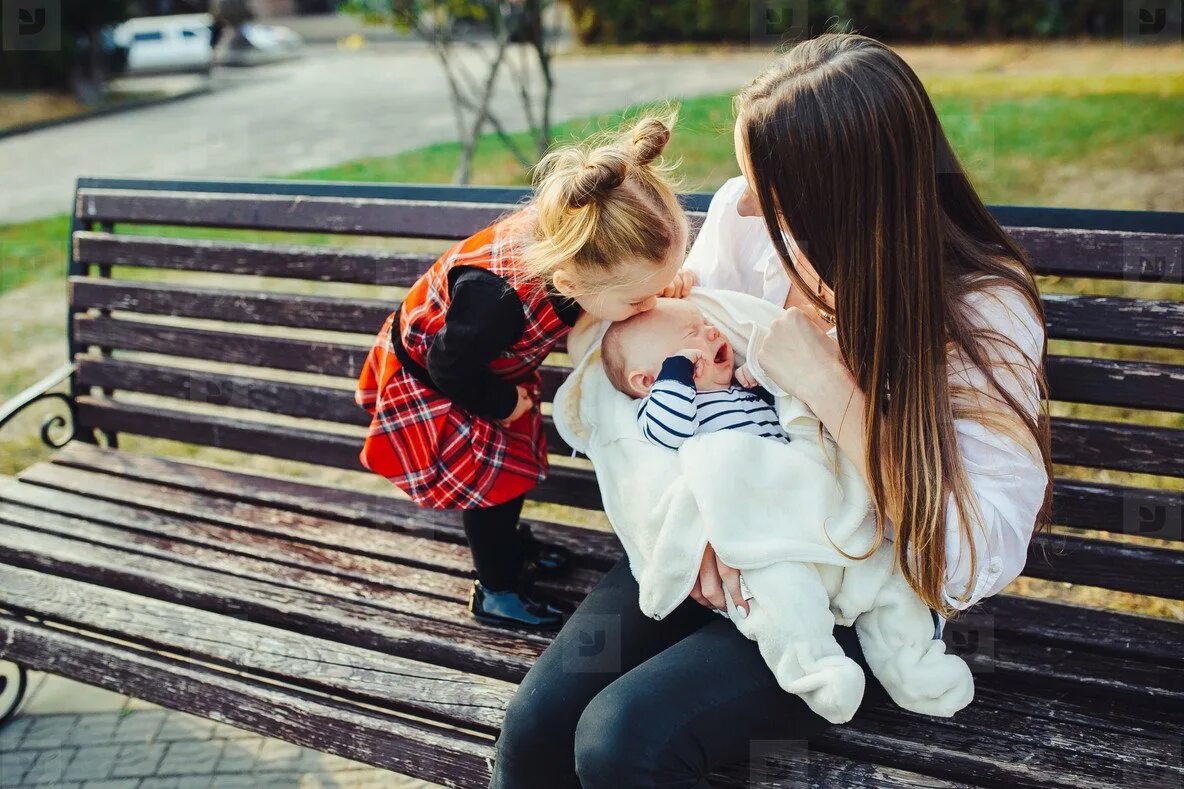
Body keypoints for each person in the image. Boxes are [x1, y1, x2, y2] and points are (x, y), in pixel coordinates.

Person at [490, 33, 1052, 787]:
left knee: (623, 739)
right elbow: (638, 364)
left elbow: (965, 560)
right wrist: (686, 519)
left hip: (847, 583)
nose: (743, 202)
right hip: (702, 538)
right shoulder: (748, 224)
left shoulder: (981, 313)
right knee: (534, 732)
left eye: (768, 189)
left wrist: (829, 385)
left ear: (841, 203)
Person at [354, 116, 690, 631]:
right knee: (491, 485)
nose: (647, 304)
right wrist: (502, 403)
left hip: (484, 369)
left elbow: (598, 296)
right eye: (636, 298)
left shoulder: (584, 236)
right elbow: (447, 362)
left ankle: (511, 547)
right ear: (568, 279)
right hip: (438, 379)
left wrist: (656, 288)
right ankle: (497, 588)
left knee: (508, 476)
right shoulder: (498, 300)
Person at [600, 298, 789, 448]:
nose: (713, 331)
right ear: (647, 381)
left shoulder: (737, 387)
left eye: (705, 323)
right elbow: (669, 433)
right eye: (691, 333)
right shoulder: (659, 410)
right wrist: (680, 366)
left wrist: (759, 378)